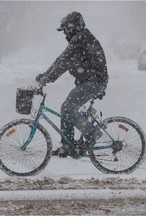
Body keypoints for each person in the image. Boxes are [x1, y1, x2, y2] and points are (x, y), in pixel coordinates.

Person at [35, 11, 109, 157]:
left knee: (68, 108)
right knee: (68, 109)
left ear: (73, 27)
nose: (64, 34)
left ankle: (92, 134)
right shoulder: (79, 38)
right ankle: (67, 145)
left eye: (66, 30)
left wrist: (48, 78)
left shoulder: (80, 39)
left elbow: (63, 63)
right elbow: (60, 59)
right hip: (91, 81)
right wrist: (45, 75)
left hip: (94, 82)